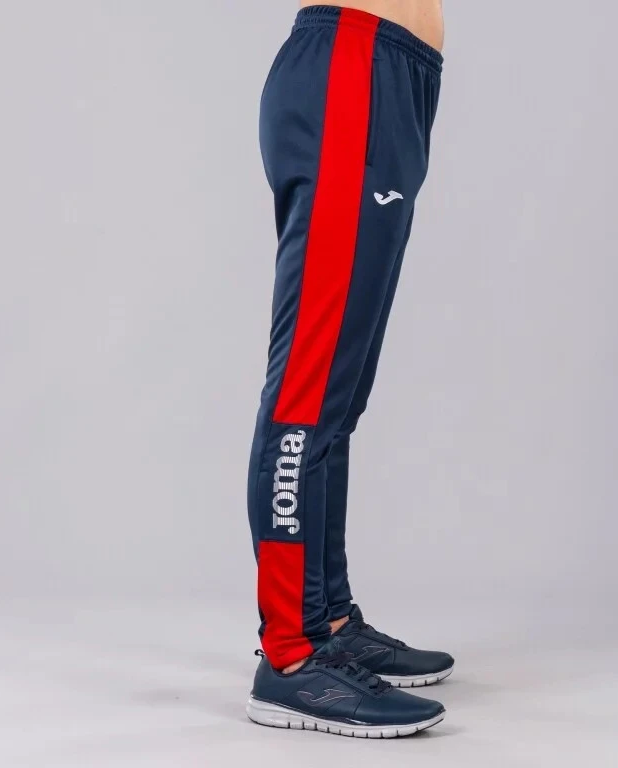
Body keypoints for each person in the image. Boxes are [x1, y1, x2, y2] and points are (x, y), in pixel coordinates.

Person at [246, 1, 450, 737]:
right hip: (351, 63)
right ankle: (293, 655)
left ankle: (327, 621)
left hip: (395, 74)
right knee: (310, 389)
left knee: (340, 392)